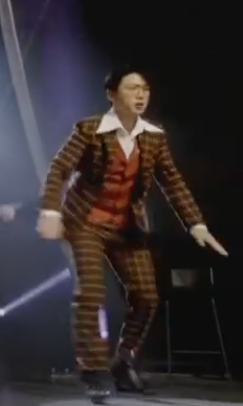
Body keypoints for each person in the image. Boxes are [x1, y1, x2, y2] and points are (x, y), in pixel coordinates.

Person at [37, 67, 227, 404]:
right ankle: (93, 371)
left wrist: (196, 224)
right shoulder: (90, 130)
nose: (140, 95)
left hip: (126, 226)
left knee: (147, 296)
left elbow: (172, 181)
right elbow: (59, 168)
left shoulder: (153, 137)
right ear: (112, 94)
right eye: (132, 88)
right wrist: (50, 211)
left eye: (145, 89)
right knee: (91, 293)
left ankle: (123, 361)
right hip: (86, 223)